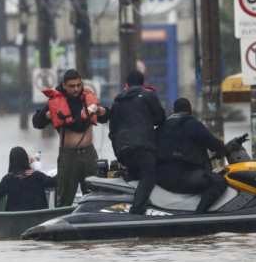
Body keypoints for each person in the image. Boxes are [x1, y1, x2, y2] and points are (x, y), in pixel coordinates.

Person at [32, 69, 109, 207]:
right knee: (65, 197)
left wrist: (104, 112)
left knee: (95, 194)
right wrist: (48, 115)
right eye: (72, 86)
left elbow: (106, 118)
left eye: (79, 85)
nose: (76, 89)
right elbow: (36, 122)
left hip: (89, 153)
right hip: (68, 156)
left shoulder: (88, 99)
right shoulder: (56, 101)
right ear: (65, 85)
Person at [155, 98, 229, 213]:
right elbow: (213, 143)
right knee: (219, 182)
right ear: (191, 112)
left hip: (162, 178)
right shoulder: (193, 124)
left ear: (173, 112)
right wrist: (223, 149)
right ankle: (199, 215)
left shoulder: (161, 127)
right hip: (184, 177)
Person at [108, 70, 166, 215]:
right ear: (143, 81)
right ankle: (138, 210)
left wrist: (118, 153)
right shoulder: (148, 95)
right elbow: (160, 118)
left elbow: (112, 130)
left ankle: (124, 204)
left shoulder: (117, 101)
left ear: (127, 83)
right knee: (149, 176)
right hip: (143, 146)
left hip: (123, 148)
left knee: (134, 175)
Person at [0, 147, 57, 212]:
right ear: (26, 160)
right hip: (39, 217)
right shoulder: (37, 176)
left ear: (11, 162)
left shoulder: (7, 179)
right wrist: (37, 167)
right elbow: (55, 182)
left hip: (14, 217)